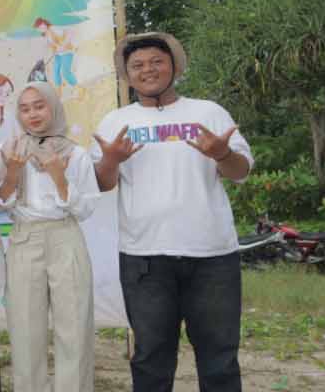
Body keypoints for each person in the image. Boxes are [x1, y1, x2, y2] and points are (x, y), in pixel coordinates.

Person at [92, 33, 252, 392]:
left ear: (174, 67)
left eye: (156, 61)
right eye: (137, 65)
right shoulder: (115, 121)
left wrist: (222, 154)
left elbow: (240, 172)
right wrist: (111, 160)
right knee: (151, 358)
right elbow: (102, 184)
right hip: (144, 258)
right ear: (127, 75)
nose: (147, 69)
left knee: (220, 357)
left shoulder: (208, 112)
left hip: (212, 256)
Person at [0, 82, 99, 392]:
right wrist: (12, 172)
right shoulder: (9, 151)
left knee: (74, 329)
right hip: (24, 239)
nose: (33, 114)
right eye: (25, 109)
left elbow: (86, 208)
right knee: (25, 330)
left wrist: (59, 177)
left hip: (66, 236)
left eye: (39, 106)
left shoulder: (75, 153)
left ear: (54, 107)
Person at [34, 18, 78, 91]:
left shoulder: (54, 29)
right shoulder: (46, 35)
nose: (41, 29)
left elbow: (69, 33)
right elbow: (45, 48)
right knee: (55, 72)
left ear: (44, 23)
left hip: (67, 52)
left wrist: (63, 45)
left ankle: (77, 87)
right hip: (58, 55)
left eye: (41, 26)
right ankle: (59, 90)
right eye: (39, 28)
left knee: (65, 72)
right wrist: (40, 59)